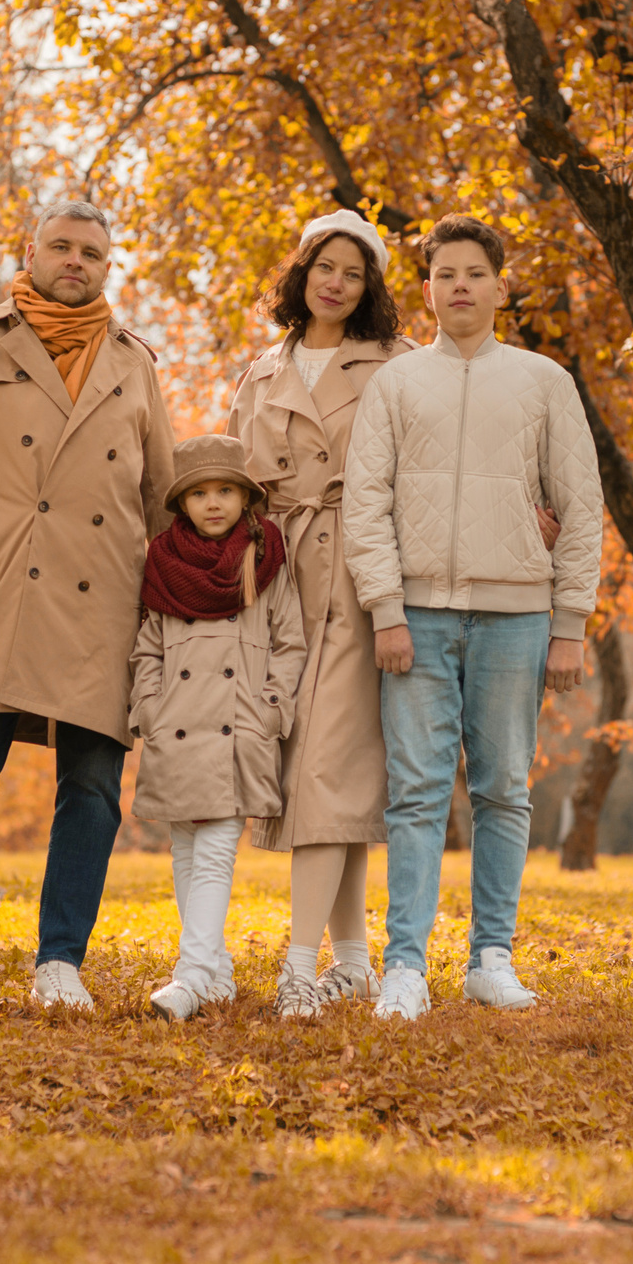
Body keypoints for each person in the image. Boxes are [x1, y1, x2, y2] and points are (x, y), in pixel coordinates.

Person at [0, 199, 177, 1015]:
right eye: (62, 246)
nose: (75, 260)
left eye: (92, 250)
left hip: (106, 602)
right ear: (32, 249)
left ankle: (60, 962)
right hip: (0, 592)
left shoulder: (133, 361)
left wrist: (176, 614)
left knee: (91, 790)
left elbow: (163, 496)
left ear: (106, 264)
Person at [339, 212, 604, 1021]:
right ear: (427, 289)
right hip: (415, 616)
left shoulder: (543, 380)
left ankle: (492, 956)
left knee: (502, 791)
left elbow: (581, 506)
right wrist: (385, 610)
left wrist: (569, 622)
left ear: (499, 285)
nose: (460, 286)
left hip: (516, 617)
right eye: (445, 274)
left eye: (474, 274)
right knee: (416, 794)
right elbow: (366, 505)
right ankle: (405, 967)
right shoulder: (396, 383)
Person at [222, 209, 413, 1017]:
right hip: (275, 578)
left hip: (357, 577)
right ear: (300, 273)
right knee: (317, 771)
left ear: (369, 286)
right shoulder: (263, 371)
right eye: (323, 266)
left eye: (353, 270)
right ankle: (355, 961)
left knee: (329, 768)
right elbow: (233, 480)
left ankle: (300, 966)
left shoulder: (397, 365)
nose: (335, 281)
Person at [128, 433, 306, 1021]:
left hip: (237, 727)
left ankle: (191, 974)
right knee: (184, 849)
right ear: (181, 503)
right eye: (199, 492)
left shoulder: (266, 557)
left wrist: (269, 710)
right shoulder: (164, 562)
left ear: (245, 498)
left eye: (225, 490)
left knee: (214, 854)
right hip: (177, 725)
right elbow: (147, 648)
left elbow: (289, 643)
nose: (213, 503)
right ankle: (217, 974)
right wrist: (149, 708)